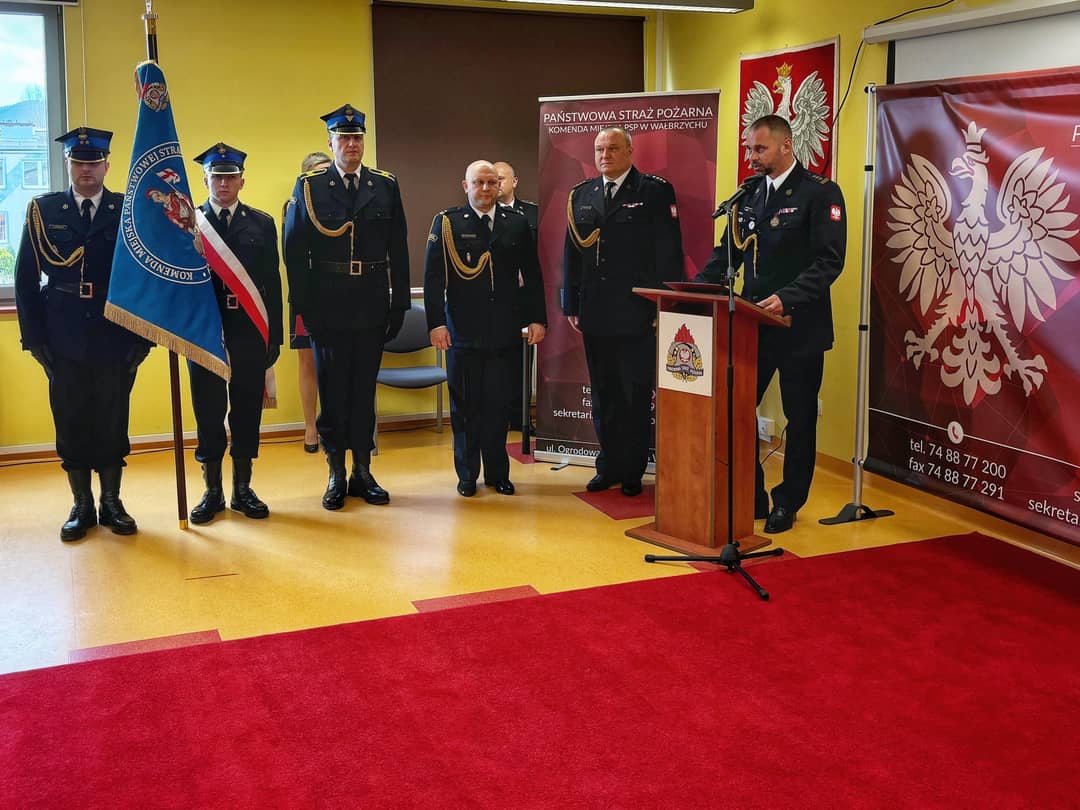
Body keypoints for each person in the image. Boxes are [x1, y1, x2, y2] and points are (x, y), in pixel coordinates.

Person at [696, 114, 846, 534]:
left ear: (785, 146)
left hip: (801, 325)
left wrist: (788, 297)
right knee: (738, 409)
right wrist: (690, 291)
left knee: (800, 418)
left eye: (759, 149)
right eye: (749, 148)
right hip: (753, 326)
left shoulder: (820, 192)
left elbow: (829, 261)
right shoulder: (748, 195)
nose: (752, 156)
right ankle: (753, 494)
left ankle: (788, 501)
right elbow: (726, 254)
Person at [14, 127, 152, 541]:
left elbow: (145, 276)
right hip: (62, 333)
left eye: (93, 162)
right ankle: (81, 504)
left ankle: (111, 501)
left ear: (107, 165)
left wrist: (142, 339)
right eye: (78, 162)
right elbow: (25, 279)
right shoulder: (43, 211)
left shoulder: (126, 210)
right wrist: (34, 341)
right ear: (68, 164)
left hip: (115, 332)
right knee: (70, 418)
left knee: (112, 417)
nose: (86, 169)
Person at [283, 104, 409, 510]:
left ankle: (363, 471)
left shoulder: (384, 185)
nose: (351, 144)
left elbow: (398, 247)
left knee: (363, 391)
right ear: (331, 142)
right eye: (344, 138)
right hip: (328, 305)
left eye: (357, 137)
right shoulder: (310, 186)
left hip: (371, 302)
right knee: (333, 391)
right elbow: (294, 250)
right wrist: (303, 305)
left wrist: (399, 303)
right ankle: (336, 470)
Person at [563, 126, 684, 497]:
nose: (605, 155)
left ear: (630, 151)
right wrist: (571, 303)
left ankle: (632, 470)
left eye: (613, 148)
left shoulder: (654, 191)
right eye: (600, 149)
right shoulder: (581, 194)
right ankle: (608, 465)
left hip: (637, 310)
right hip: (595, 310)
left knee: (634, 393)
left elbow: (669, 252)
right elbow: (572, 253)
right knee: (604, 393)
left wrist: (663, 302)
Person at [424, 160, 547, 496]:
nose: (486, 188)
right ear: (466, 186)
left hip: (504, 331)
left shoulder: (516, 223)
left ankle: (497, 473)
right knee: (465, 408)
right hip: (462, 332)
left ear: (500, 185)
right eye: (479, 182)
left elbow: (532, 275)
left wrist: (537, 318)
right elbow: (433, 278)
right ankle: (467, 474)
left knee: (498, 406)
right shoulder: (448, 223)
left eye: (492, 182)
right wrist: (436, 324)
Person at [187, 143, 283, 525]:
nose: (223, 183)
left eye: (230, 176)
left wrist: (274, 336)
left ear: (242, 180)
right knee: (208, 411)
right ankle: (212, 491)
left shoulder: (261, 224)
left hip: (248, 329)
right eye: (217, 176)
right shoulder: (190, 223)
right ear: (205, 179)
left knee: (246, 410)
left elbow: (272, 283)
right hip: (205, 331)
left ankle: (243, 489)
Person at [287, 151, 332, 454]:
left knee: (336, 362)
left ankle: (334, 423)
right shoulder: (294, 205)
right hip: (305, 294)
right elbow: (291, 254)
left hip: (337, 294)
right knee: (308, 362)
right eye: (316, 173)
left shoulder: (342, 205)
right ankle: (310, 427)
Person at [494, 160, 538, 432]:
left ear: (515, 182)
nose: (496, 184)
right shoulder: (481, 214)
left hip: (525, 297)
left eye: (501, 178)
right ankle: (499, 416)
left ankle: (521, 417)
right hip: (496, 300)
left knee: (524, 361)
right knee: (499, 361)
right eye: (493, 179)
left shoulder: (532, 213)